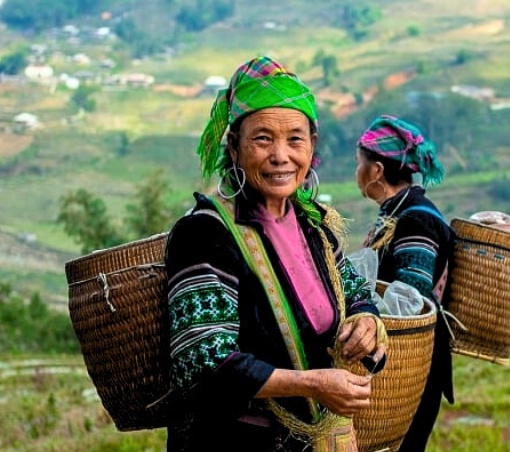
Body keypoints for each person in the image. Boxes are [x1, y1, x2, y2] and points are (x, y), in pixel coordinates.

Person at [164, 56, 386, 451]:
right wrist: (312, 384)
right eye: (263, 139)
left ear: (312, 147)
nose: (281, 155)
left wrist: (367, 319)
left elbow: (353, 292)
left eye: (295, 139)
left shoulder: (315, 227)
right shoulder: (205, 234)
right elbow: (204, 363)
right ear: (234, 148)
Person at [355, 115, 454, 452]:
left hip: (409, 367)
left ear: (376, 170)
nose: (357, 172)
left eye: (359, 163)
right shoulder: (397, 213)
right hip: (399, 362)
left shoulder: (416, 219)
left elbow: (410, 298)